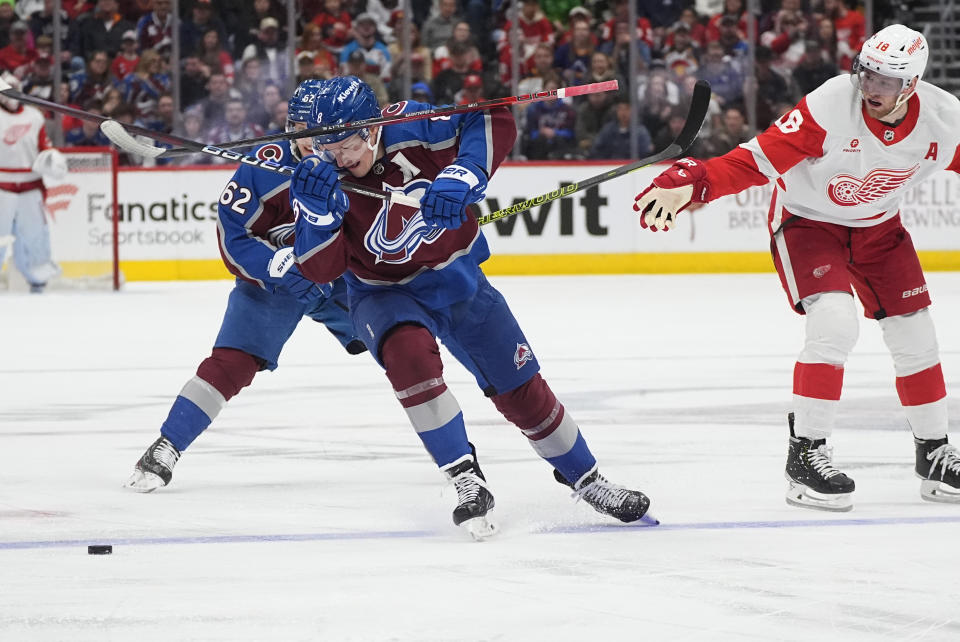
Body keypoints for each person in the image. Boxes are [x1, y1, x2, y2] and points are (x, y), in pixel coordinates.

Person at [287, 76, 656, 539]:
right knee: (409, 357)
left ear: (375, 126)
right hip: (381, 293)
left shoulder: (413, 124)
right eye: (329, 148)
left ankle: (588, 479)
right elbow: (321, 272)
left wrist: (462, 175)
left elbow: (491, 117)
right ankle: (465, 479)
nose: (341, 159)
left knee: (521, 389)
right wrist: (318, 214)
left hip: (457, 277)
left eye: (349, 145)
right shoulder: (314, 179)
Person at [632, 25, 960, 511]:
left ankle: (933, 454)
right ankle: (807, 454)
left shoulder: (944, 120)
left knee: (917, 334)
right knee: (834, 322)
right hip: (808, 221)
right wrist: (694, 183)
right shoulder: (831, 103)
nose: (870, 88)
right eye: (865, 74)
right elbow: (753, 160)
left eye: (885, 82)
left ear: (911, 85)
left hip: (880, 229)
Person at [125, 80, 367, 492]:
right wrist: (279, 267)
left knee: (402, 340)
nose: (319, 144)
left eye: (326, 133)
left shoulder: (352, 156)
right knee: (231, 361)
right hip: (276, 283)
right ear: (289, 126)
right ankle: (167, 445)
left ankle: (455, 455)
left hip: (339, 273)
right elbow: (233, 237)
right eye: (307, 133)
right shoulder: (261, 168)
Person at [0, 72, 67, 292]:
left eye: (14, 87)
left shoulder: (34, 116)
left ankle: (38, 279)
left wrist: (51, 158)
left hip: (30, 186)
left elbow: (43, 147)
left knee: (35, 236)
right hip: (1, 186)